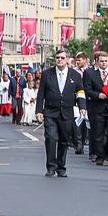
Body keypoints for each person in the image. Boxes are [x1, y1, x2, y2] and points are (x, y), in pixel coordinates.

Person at [35, 50, 86, 178]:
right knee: (51, 138)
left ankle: (61, 167)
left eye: (62, 57)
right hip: (51, 112)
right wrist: (39, 111)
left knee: (64, 141)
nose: (59, 60)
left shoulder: (75, 75)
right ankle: (51, 166)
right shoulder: (47, 74)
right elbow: (41, 93)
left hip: (67, 112)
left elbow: (80, 92)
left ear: (68, 59)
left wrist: (82, 107)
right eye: (57, 57)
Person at [83, 51, 108, 165]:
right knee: (97, 133)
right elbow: (87, 89)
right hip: (97, 108)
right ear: (97, 62)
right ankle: (100, 156)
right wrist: (97, 95)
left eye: (106, 61)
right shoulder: (91, 74)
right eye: (102, 61)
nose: (104, 63)